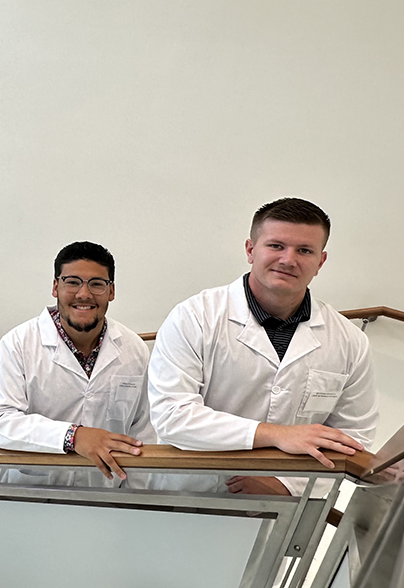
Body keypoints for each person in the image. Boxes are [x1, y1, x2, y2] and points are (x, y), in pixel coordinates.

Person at [147, 198, 379, 495]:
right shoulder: (195, 317)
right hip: (192, 497)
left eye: (304, 250)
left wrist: (286, 486)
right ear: (250, 250)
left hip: (293, 511)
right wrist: (277, 435)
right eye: (276, 246)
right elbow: (173, 416)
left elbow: (352, 439)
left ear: (320, 262)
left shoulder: (348, 340)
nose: (288, 259)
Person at [0, 242, 153, 487]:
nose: (84, 294)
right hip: (33, 498)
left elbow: (142, 433)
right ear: (55, 286)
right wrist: (73, 436)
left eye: (97, 284)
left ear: (111, 291)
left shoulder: (133, 349)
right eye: (72, 282)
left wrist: (138, 503)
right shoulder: (18, 344)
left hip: (108, 500)